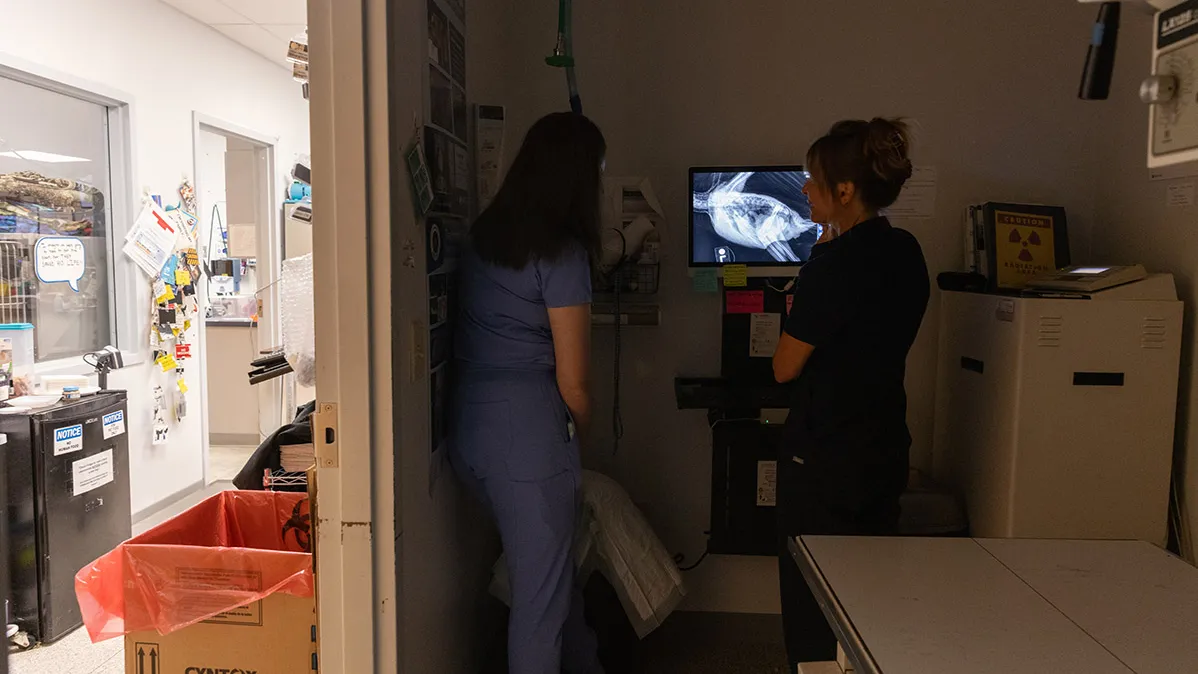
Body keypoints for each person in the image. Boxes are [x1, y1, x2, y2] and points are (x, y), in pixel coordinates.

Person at [448, 112, 606, 674]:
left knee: (550, 576)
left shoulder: (483, 236)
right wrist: (578, 436)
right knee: (540, 604)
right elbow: (575, 382)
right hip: (529, 436)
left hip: (468, 429)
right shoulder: (562, 253)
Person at [771, 118, 930, 668]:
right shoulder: (907, 251)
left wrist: (815, 265)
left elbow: (784, 368)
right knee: (869, 605)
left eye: (812, 181)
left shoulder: (829, 268)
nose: (804, 191)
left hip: (823, 464)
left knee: (814, 609)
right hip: (883, 450)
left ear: (843, 192)